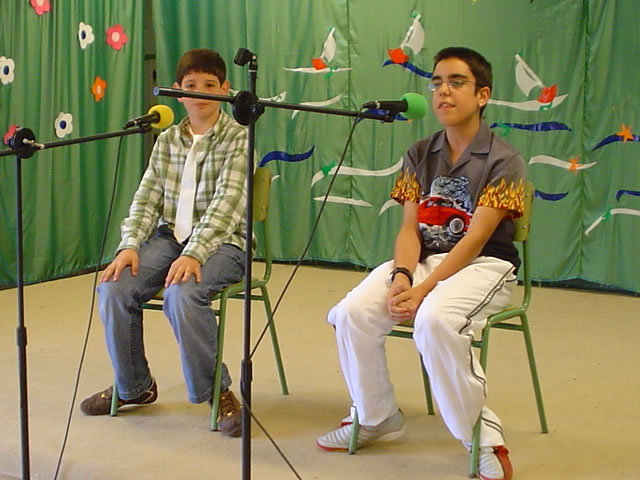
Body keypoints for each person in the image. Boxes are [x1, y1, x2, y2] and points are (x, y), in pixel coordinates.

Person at [316, 47, 525, 480]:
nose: (443, 91)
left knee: (435, 321)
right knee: (352, 313)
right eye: (437, 82)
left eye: (457, 82)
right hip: (425, 261)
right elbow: (410, 230)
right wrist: (402, 276)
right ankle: (375, 415)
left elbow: (475, 239)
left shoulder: (504, 160)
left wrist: (423, 291)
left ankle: (482, 439)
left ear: (483, 95)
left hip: (485, 264)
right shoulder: (419, 153)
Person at [80, 48, 249, 438]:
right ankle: (134, 386)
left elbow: (227, 205)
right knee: (113, 286)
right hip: (171, 237)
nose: (200, 92)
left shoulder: (239, 138)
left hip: (224, 243)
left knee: (182, 294)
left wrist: (195, 253)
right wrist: (129, 245)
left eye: (210, 85)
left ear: (225, 89)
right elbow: (146, 198)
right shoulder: (168, 140)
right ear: (177, 91)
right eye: (191, 85)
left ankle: (217, 393)